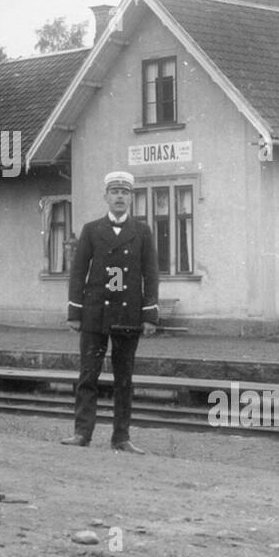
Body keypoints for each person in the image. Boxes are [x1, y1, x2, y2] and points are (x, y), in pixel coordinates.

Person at [63, 171, 159, 453]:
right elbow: (78, 272)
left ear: (131, 198)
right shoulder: (91, 230)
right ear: (106, 197)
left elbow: (151, 274)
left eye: (125, 192)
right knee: (88, 376)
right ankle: (82, 433)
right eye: (115, 192)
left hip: (128, 315)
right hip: (95, 313)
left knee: (124, 378)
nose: (119, 197)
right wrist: (75, 312)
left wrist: (149, 313)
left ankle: (121, 437)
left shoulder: (142, 232)